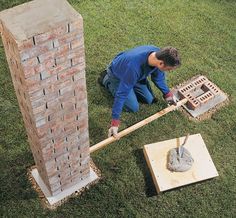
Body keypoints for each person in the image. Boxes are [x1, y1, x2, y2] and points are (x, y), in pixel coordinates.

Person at [98, 45, 181, 138]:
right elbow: (121, 94)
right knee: (133, 107)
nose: (169, 71)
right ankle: (105, 79)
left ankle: (131, 83)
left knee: (149, 99)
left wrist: (168, 95)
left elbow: (158, 78)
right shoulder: (134, 67)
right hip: (117, 75)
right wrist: (115, 123)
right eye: (169, 69)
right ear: (161, 63)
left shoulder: (159, 55)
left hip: (134, 75)